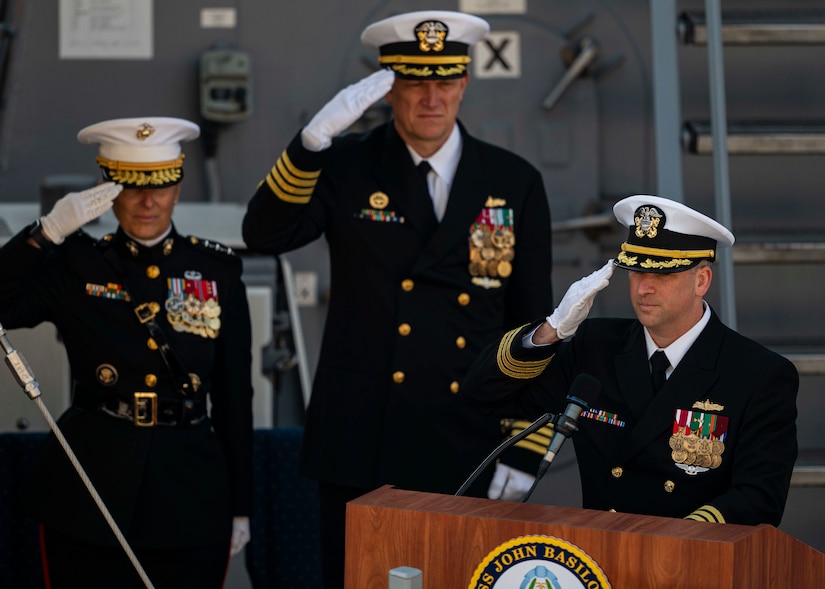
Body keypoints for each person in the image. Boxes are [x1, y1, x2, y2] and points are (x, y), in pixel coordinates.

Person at [242, 10, 554, 586]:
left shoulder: (514, 181)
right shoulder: (346, 165)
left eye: (445, 82)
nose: (431, 98)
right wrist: (310, 145)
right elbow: (262, 236)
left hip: (471, 441)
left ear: (464, 83)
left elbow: (534, 325)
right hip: (365, 441)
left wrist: (524, 447)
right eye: (414, 82)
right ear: (390, 88)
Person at [0, 117, 254, 588]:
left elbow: (236, 399)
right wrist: (46, 232)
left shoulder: (215, 270)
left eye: (161, 185)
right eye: (131, 187)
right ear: (108, 189)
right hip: (89, 489)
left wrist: (241, 505)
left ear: (178, 186)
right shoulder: (76, 265)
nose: (148, 201)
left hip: (190, 492)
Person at [462, 194, 799, 526]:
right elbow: (485, 396)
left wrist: (671, 540)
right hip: (602, 554)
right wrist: (551, 330)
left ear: (702, 281)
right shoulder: (596, 346)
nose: (643, 289)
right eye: (636, 272)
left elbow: (759, 498)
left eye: (662, 275)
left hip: (690, 558)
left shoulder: (757, 374)